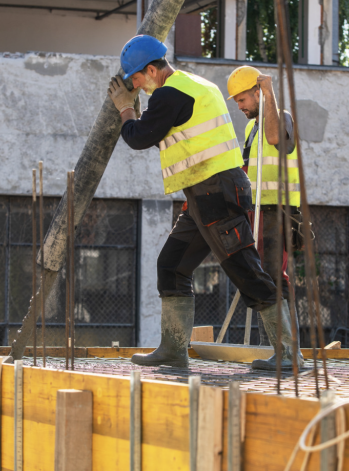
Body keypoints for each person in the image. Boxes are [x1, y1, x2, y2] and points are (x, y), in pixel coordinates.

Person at [107, 35, 302, 369]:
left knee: (247, 272)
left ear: (152, 70)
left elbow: (138, 138)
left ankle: (289, 354)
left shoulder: (169, 94)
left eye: (137, 80)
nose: (136, 86)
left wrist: (125, 108)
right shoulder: (196, 85)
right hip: (206, 193)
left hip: (214, 193)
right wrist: (138, 112)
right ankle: (173, 349)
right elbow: (169, 137)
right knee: (171, 266)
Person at [227, 66, 300, 346]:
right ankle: (269, 345)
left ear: (258, 93)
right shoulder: (250, 127)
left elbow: (275, 138)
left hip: (277, 210)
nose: (240, 107)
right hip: (256, 210)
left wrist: (270, 92)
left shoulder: (282, 119)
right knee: (260, 276)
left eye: (243, 100)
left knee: (272, 275)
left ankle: (283, 349)